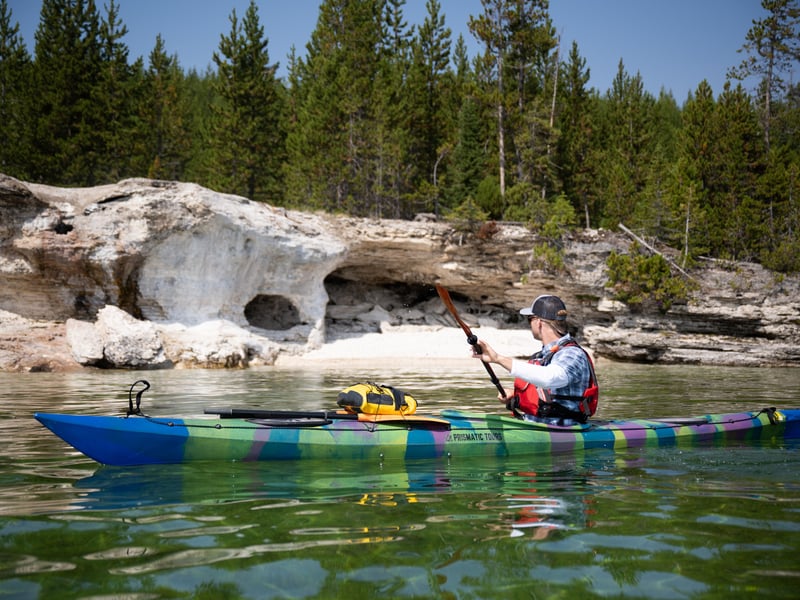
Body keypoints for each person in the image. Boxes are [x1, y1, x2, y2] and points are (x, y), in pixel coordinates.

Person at [473, 295, 598, 425]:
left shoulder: (573, 354)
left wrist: (498, 359)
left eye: (530, 319)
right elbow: (544, 392)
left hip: (562, 430)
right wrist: (516, 396)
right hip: (534, 425)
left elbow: (550, 378)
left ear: (538, 322)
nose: (529, 324)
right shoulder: (543, 356)